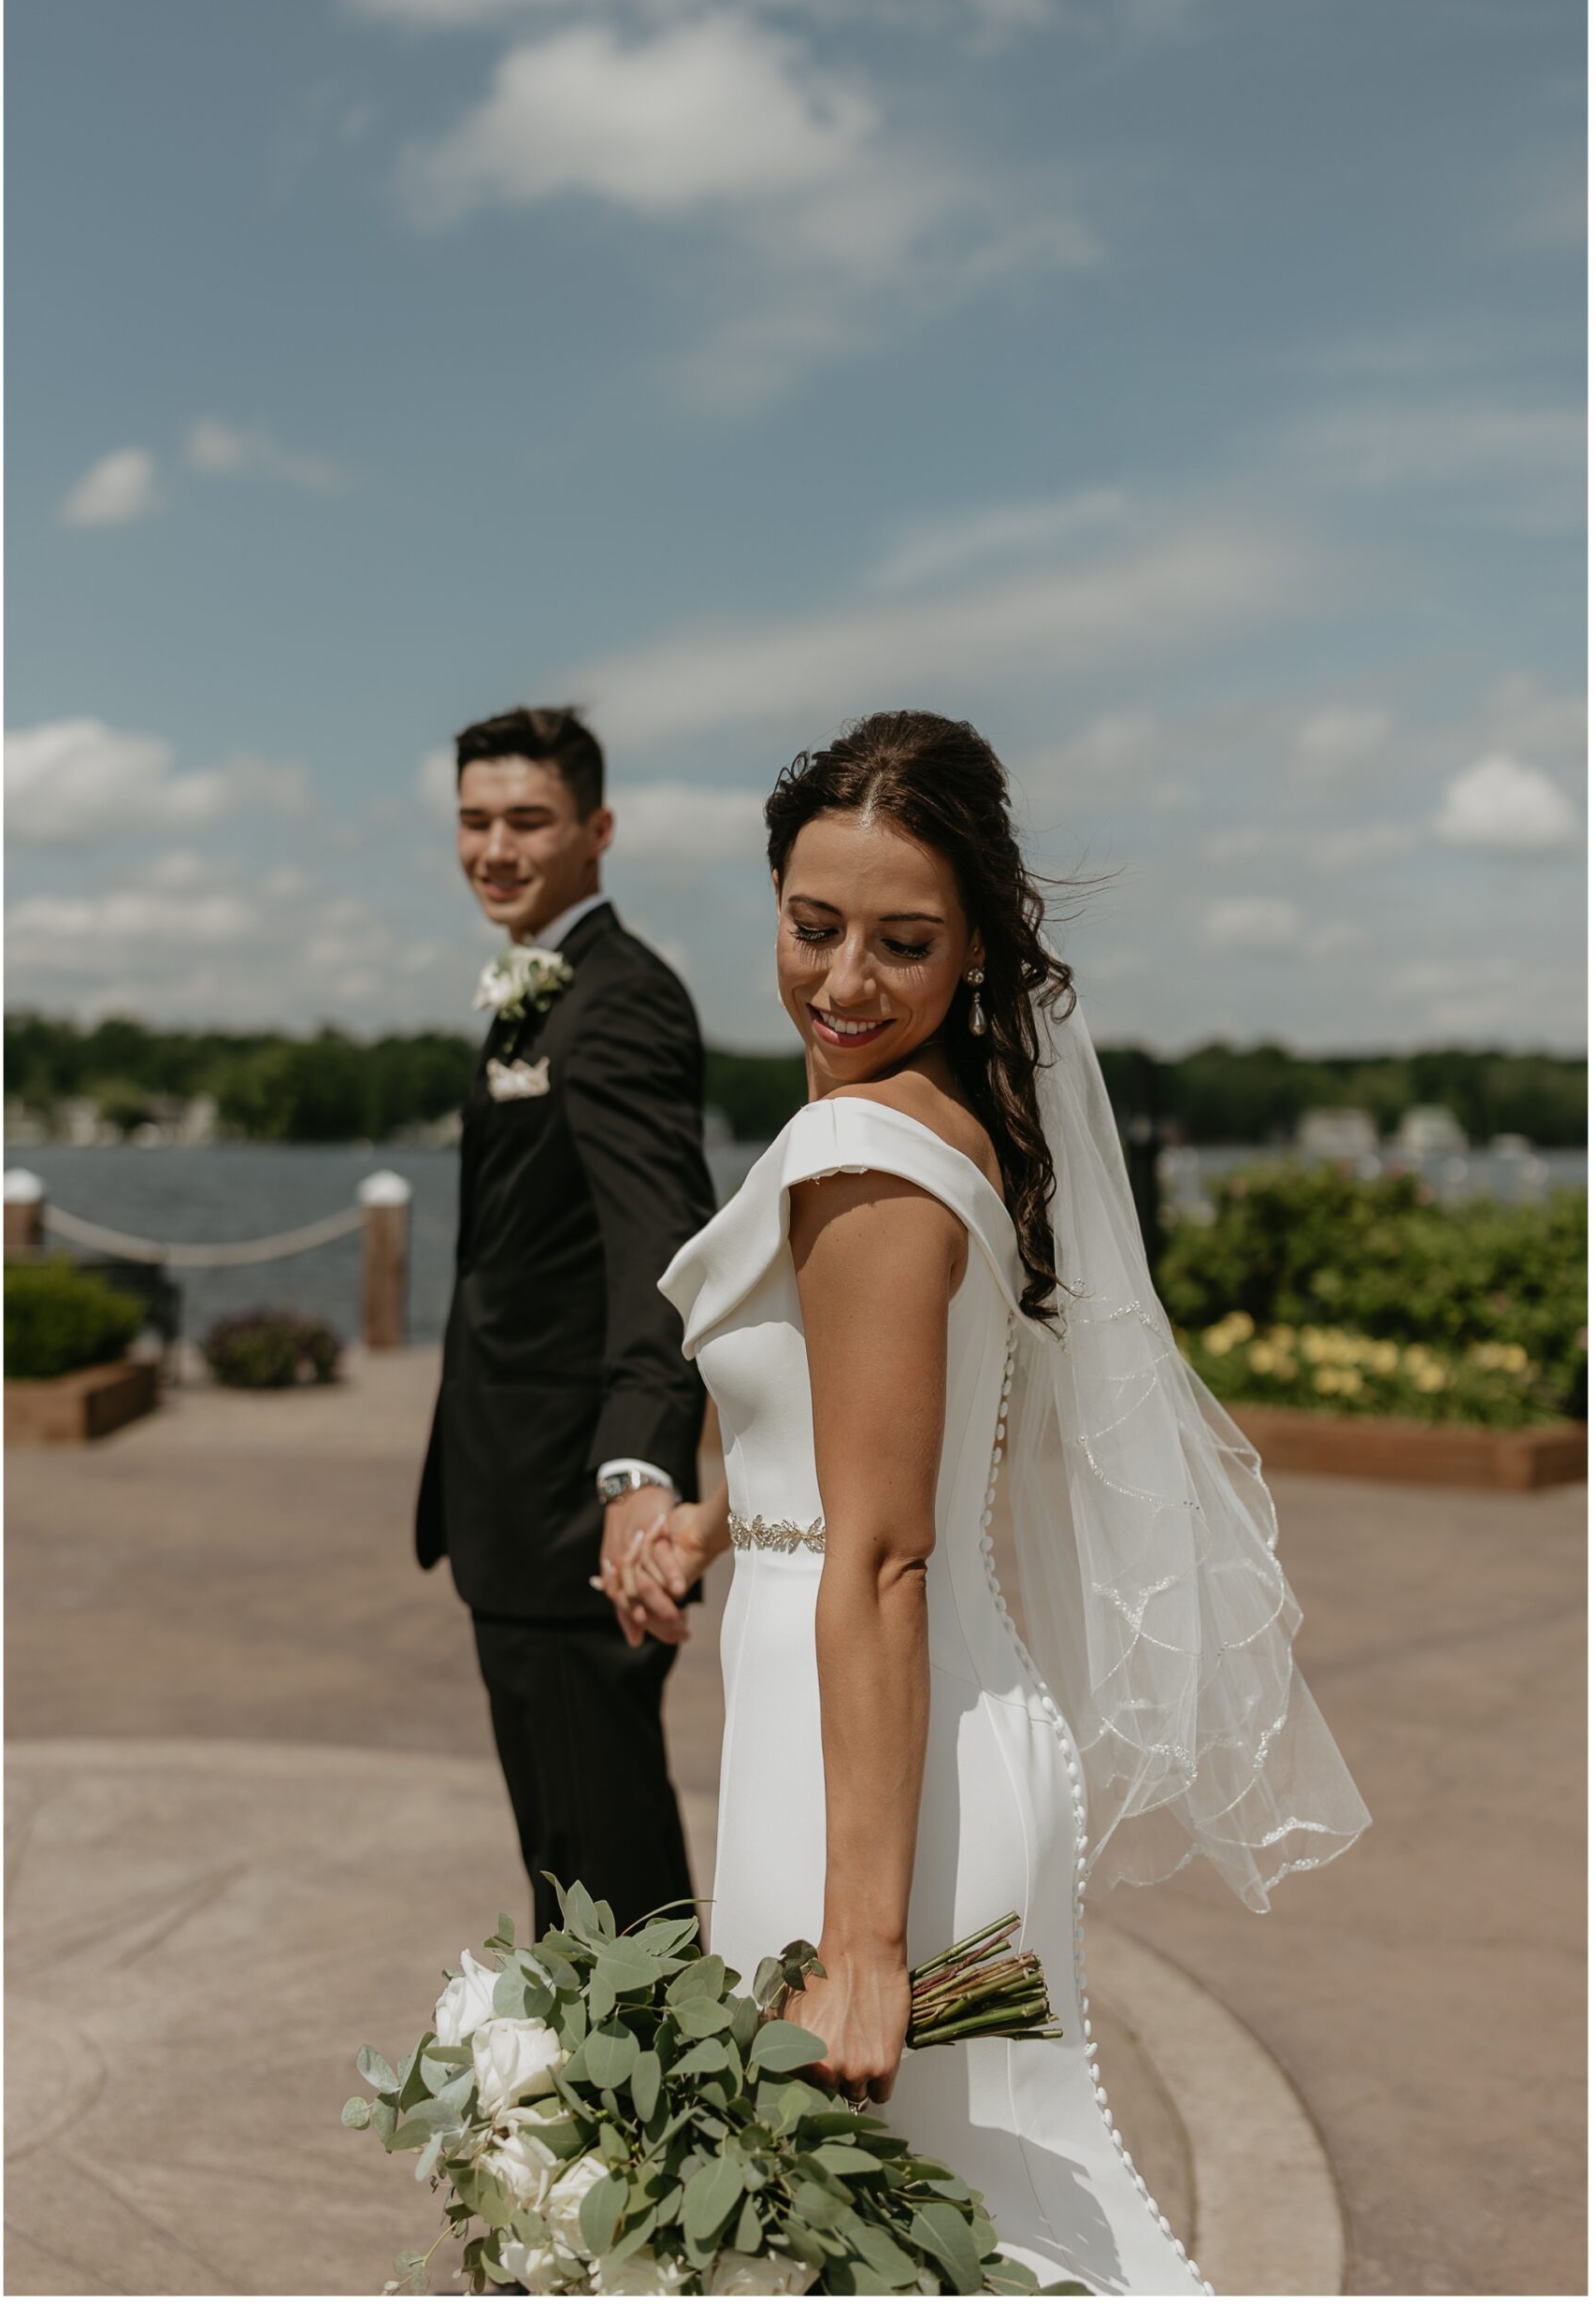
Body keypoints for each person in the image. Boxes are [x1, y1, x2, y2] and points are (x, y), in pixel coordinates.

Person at [602, 711, 1370, 2294]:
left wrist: (864, 1947)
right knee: (907, 2245)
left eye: (903, 942)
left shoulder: (861, 1148)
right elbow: (847, 1448)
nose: (844, 984)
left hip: (876, 1776)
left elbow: (883, 1553)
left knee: (961, 2242)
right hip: (887, 1736)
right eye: (813, 929)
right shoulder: (934, 1118)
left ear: (973, 950)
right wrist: (709, 1521)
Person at [417, 705, 717, 1937]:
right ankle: (589, 2120)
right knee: (566, 1870)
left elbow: (662, 1252)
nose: (496, 848)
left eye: (527, 821)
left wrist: (636, 1468)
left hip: (571, 1519)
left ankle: (654, 2124)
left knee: (609, 1879)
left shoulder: (620, 1000)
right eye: (476, 821)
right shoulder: (538, 992)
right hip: (511, 1504)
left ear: (596, 830)